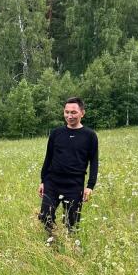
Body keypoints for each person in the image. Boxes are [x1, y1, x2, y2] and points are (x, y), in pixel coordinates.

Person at [38, 97, 99, 235]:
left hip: (74, 184)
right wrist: (43, 181)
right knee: (45, 216)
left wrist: (90, 186)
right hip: (52, 182)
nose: (69, 116)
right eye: (66, 112)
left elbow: (94, 162)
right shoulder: (56, 133)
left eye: (73, 112)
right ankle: (51, 242)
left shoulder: (90, 136)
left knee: (72, 222)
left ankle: (71, 248)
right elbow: (48, 158)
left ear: (82, 113)